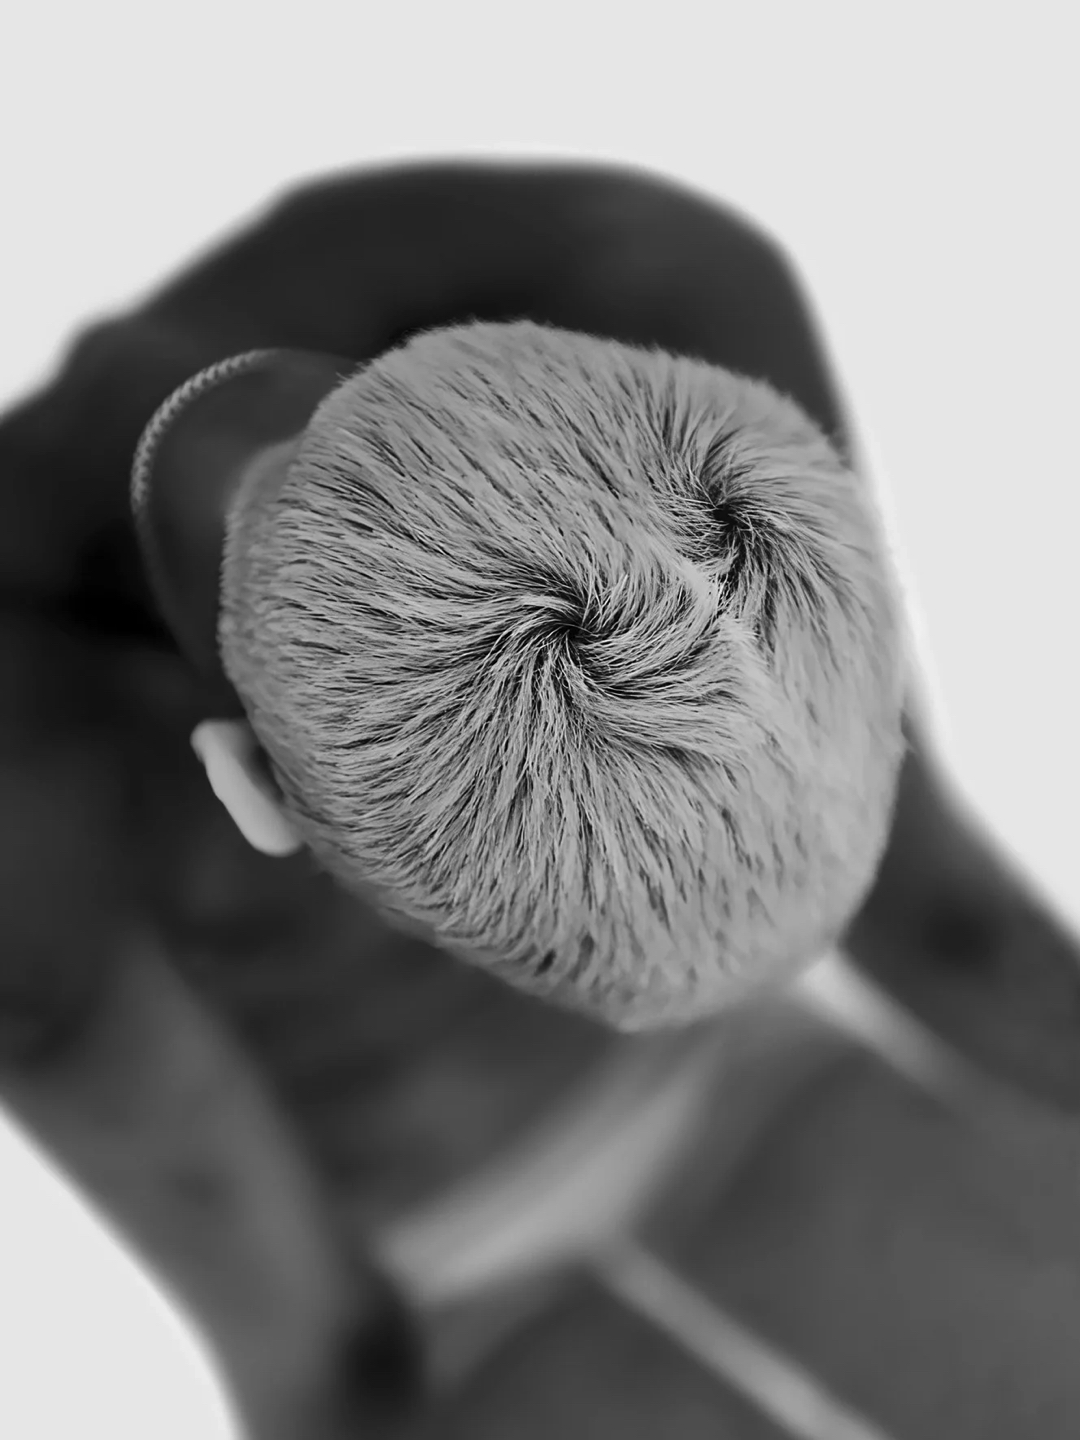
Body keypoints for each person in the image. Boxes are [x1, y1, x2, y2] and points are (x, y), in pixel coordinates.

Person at [3, 159, 1080, 1439]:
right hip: (505, 1253)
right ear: (254, 786)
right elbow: (953, 932)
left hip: (435, 1255)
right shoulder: (644, 273)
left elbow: (326, 1348)